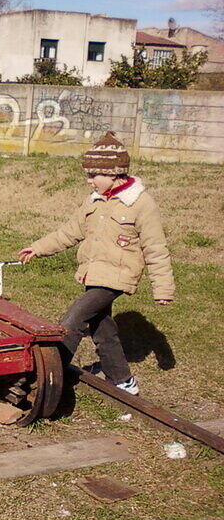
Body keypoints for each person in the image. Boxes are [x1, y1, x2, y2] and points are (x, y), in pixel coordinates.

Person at [17, 132, 175, 395]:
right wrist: (39, 247)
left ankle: (47, 375)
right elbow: (69, 231)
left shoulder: (139, 203)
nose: (90, 181)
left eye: (94, 176)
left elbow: (156, 248)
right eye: (88, 176)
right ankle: (123, 380)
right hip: (93, 274)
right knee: (102, 328)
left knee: (72, 320)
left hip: (117, 276)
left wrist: (163, 289)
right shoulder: (94, 201)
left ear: (114, 173)